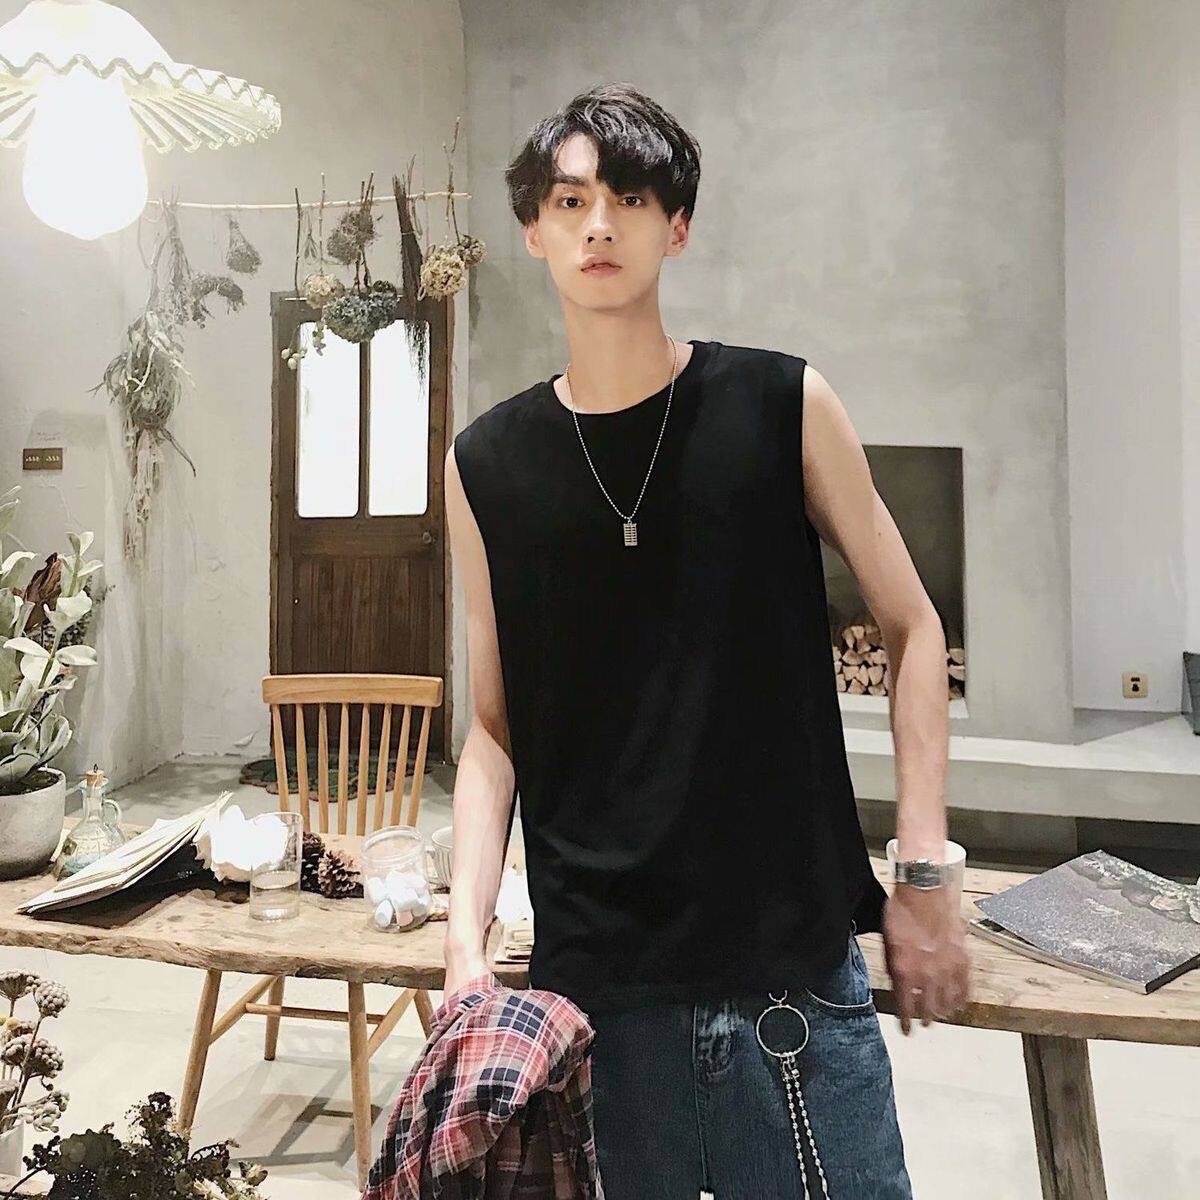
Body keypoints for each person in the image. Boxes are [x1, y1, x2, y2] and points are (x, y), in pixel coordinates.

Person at [442, 81, 971, 1199]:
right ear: (533, 228)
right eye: (570, 200)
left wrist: (923, 867)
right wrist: (464, 946)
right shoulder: (486, 463)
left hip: (792, 988)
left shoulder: (781, 404)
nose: (599, 224)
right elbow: (492, 730)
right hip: (597, 1000)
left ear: (675, 226)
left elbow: (914, 624)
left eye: (630, 198)